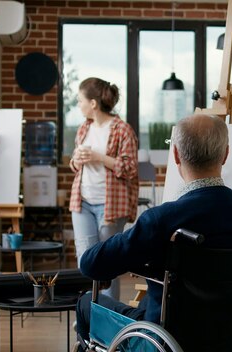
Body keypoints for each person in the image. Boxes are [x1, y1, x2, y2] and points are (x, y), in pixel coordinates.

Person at [75, 114, 232, 343]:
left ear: (175, 154)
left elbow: (90, 263)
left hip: (170, 338)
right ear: (225, 154)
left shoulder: (162, 219)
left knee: (87, 302)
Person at [69, 77, 139, 300]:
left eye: (80, 100)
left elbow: (129, 168)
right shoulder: (84, 129)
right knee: (86, 261)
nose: (78, 105)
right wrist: (77, 159)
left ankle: (107, 318)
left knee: (107, 264)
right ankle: (89, 313)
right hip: (82, 202)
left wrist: (99, 157)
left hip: (110, 205)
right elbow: (74, 164)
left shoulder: (122, 130)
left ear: (93, 103)